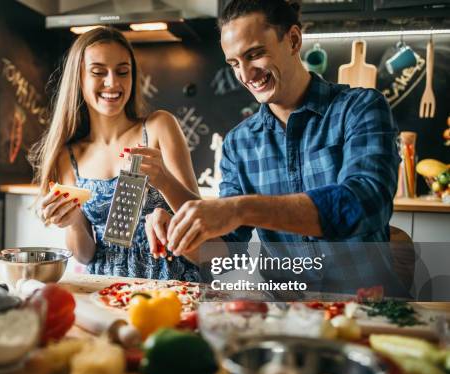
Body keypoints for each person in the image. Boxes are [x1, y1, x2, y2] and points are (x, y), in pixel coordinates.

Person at [145, 0, 402, 292]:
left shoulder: (358, 108)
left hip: (368, 306)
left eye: (254, 54)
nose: (245, 74)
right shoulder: (238, 144)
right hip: (287, 312)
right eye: (234, 63)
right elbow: (228, 255)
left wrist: (242, 209)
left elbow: (367, 202)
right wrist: (182, 234)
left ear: (292, 40)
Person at [29, 27, 201, 281]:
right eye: (98, 72)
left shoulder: (158, 126)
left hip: (171, 281)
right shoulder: (69, 155)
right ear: (79, 78)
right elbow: (85, 255)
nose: (113, 83)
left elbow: (197, 217)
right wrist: (73, 219)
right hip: (105, 286)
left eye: (123, 71)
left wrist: (164, 180)